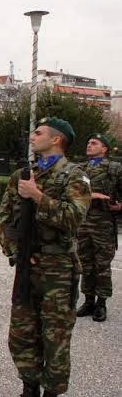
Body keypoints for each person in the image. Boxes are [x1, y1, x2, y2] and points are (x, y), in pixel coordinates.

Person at [0, 117, 91, 397]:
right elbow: (4, 219)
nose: (32, 136)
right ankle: (28, 396)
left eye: (39, 133)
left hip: (58, 271)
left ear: (57, 140)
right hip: (26, 267)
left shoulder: (74, 176)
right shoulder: (21, 175)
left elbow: (74, 219)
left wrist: (37, 196)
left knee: (55, 340)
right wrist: (15, 251)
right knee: (21, 335)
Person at [75, 133, 121, 322]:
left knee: (102, 265)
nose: (89, 145)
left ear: (105, 149)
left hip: (103, 224)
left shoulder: (114, 168)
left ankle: (101, 304)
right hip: (83, 223)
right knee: (85, 264)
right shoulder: (80, 168)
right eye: (88, 142)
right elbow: (73, 193)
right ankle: (88, 301)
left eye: (94, 143)